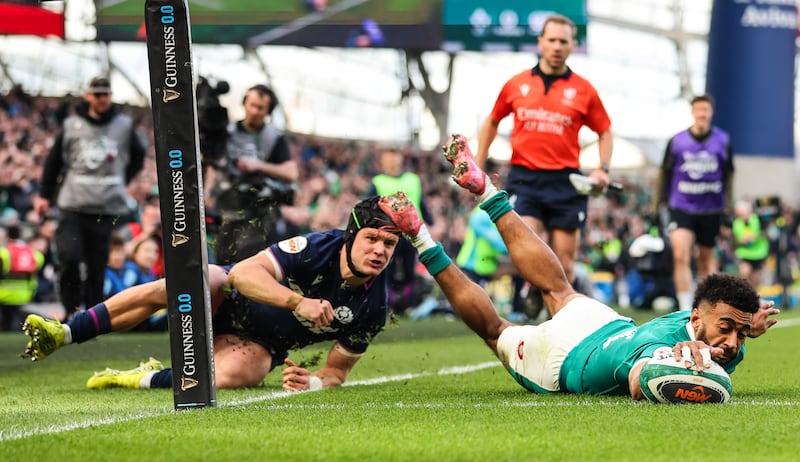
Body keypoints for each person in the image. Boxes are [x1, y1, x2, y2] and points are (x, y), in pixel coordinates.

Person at [377, 134, 777, 400]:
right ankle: (422, 239)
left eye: (740, 334)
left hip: (598, 332)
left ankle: (481, 193)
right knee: (495, 328)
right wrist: (678, 370)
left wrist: (739, 331)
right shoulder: (670, 348)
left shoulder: (703, 329)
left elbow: (717, 338)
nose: (732, 343)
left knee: (557, 289)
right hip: (565, 358)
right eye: (728, 330)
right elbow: (642, 380)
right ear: (696, 319)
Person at [21, 196, 403, 392]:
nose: (379, 251)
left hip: (257, 343)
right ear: (350, 237)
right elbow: (242, 273)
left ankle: (142, 378)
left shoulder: (374, 306)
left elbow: (337, 372)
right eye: (371, 239)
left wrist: (313, 382)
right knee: (202, 278)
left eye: (389, 243)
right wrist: (296, 301)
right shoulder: (316, 247)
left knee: (241, 374)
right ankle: (66, 332)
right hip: (228, 298)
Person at [474, 14, 612, 317]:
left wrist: (602, 168)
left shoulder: (584, 90)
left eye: (564, 41)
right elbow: (493, 120)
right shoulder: (517, 84)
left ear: (573, 45)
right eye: (551, 40)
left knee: (564, 264)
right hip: (526, 178)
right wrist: (478, 162)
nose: (557, 46)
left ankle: (557, 319)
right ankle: (534, 286)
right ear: (541, 43)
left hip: (566, 181)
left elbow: (604, 131)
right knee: (528, 245)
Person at [33, 75, 146, 319]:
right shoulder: (71, 124)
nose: (101, 98)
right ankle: (70, 311)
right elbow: (53, 163)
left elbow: (138, 155)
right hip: (72, 204)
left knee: (97, 266)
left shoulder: (124, 125)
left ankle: (93, 318)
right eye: (97, 94)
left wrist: (121, 179)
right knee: (70, 258)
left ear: (110, 96)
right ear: (88, 95)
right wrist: (44, 195)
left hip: (105, 207)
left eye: (105, 94)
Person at [654, 94, 734, 311]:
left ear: (711, 113)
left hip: (711, 208)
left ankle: (706, 307)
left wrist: (729, 206)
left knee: (706, 261)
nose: (702, 114)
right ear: (692, 112)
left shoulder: (723, 140)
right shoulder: (677, 141)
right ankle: (685, 309)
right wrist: (657, 205)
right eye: (698, 110)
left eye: (705, 110)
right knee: (680, 254)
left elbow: (729, 175)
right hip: (681, 206)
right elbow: (665, 173)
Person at [207, 84, 299, 265]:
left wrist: (258, 166)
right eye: (252, 105)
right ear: (244, 104)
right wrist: (207, 193)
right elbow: (212, 163)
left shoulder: (274, 138)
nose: (255, 111)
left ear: (268, 111)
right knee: (219, 262)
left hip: (256, 214)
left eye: (260, 108)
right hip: (224, 208)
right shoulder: (227, 132)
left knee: (245, 262)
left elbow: (291, 173)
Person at [367, 148, 432, 315]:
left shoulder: (413, 180)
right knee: (386, 269)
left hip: (411, 232)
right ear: (382, 161)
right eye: (388, 157)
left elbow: (421, 203)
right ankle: (386, 304)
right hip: (389, 233)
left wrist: (432, 222)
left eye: (394, 156)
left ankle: (407, 305)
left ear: (401, 158)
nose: (391, 161)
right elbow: (370, 206)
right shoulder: (378, 181)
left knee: (410, 269)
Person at [0, 224, 44, 331]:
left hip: (4, 296)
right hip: (26, 295)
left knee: (6, 327)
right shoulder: (33, 253)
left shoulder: (4, 252)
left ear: (8, 236)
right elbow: (39, 262)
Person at [731, 199, 769, 290]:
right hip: (745, 253)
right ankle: (747, 294)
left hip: (759, 253)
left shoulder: (756, 219)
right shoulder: (737, 223)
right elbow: (741, 238)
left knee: (756, 276)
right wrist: (750, 237)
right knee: (744, 272)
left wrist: (749, 237)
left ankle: (756, 295)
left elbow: (756, 235)